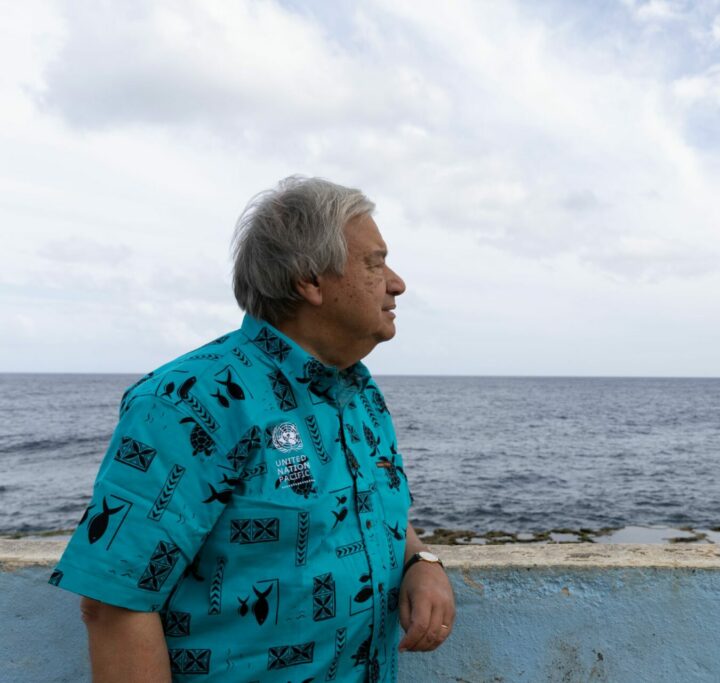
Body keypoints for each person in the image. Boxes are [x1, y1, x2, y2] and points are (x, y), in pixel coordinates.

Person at [49, 176, 455, 682]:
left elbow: (362, 507)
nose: (396, 282)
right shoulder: (190, 402)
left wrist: (422, 561)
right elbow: (114, 604)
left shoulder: (357, 392)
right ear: (310, 281)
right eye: (375, 263)